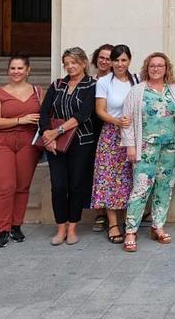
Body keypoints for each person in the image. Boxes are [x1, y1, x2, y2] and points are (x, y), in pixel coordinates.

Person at [121, 52, 175, 252]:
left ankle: (157, 226)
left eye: (160, 65)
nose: (156, 69)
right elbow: (126, 121)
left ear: (166, 68)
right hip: (145, 148)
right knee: (141, 188)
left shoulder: (174, 89)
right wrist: (130, 146)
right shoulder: (137, 91)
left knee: (164, 187)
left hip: (169, 146)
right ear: (147, 68)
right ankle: (131, 230)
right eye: (152, 66)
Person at [37, 47, 98, 246]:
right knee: (58, 186)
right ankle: (60, 226)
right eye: (67, 63)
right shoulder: (57, 85)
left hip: (81, 143)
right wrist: (48, 135)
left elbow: (83, 114)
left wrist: (58, 131)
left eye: (74, 62)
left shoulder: (92, 85)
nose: (70, 66)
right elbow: (44, 111)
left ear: (83, 64)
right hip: (55, 144)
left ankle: (72, 227)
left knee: (76, 185)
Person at [0, 54, 42, 247]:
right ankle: (3, 229)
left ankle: (16, 226)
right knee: (5, 186)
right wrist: (19, 120)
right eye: (12, 68)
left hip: (28, 142)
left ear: (28, 70)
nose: (16, 72)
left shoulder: (38, 92)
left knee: (22, 186)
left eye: (20, 68)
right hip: (2, 143)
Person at [92, 45, 137, 245]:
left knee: (130, 177)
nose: (120, 64)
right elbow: (100, 110)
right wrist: (117, 122)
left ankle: (130, 220)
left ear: (129, 61)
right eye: (116, 60)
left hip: (133, 135)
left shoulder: (135, 80)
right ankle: (113, 224)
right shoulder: (103, 82)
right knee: (110, 179)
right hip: (111, 134)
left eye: (123, 60)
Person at [88, 43, 114, 233]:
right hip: (91, 131)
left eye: (108, 58)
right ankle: (101, 213)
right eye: (102, 57)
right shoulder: (89, 81)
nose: (104, 61)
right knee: (98, 174)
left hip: (110, 128)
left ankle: (113, 213)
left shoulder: (118, 81)